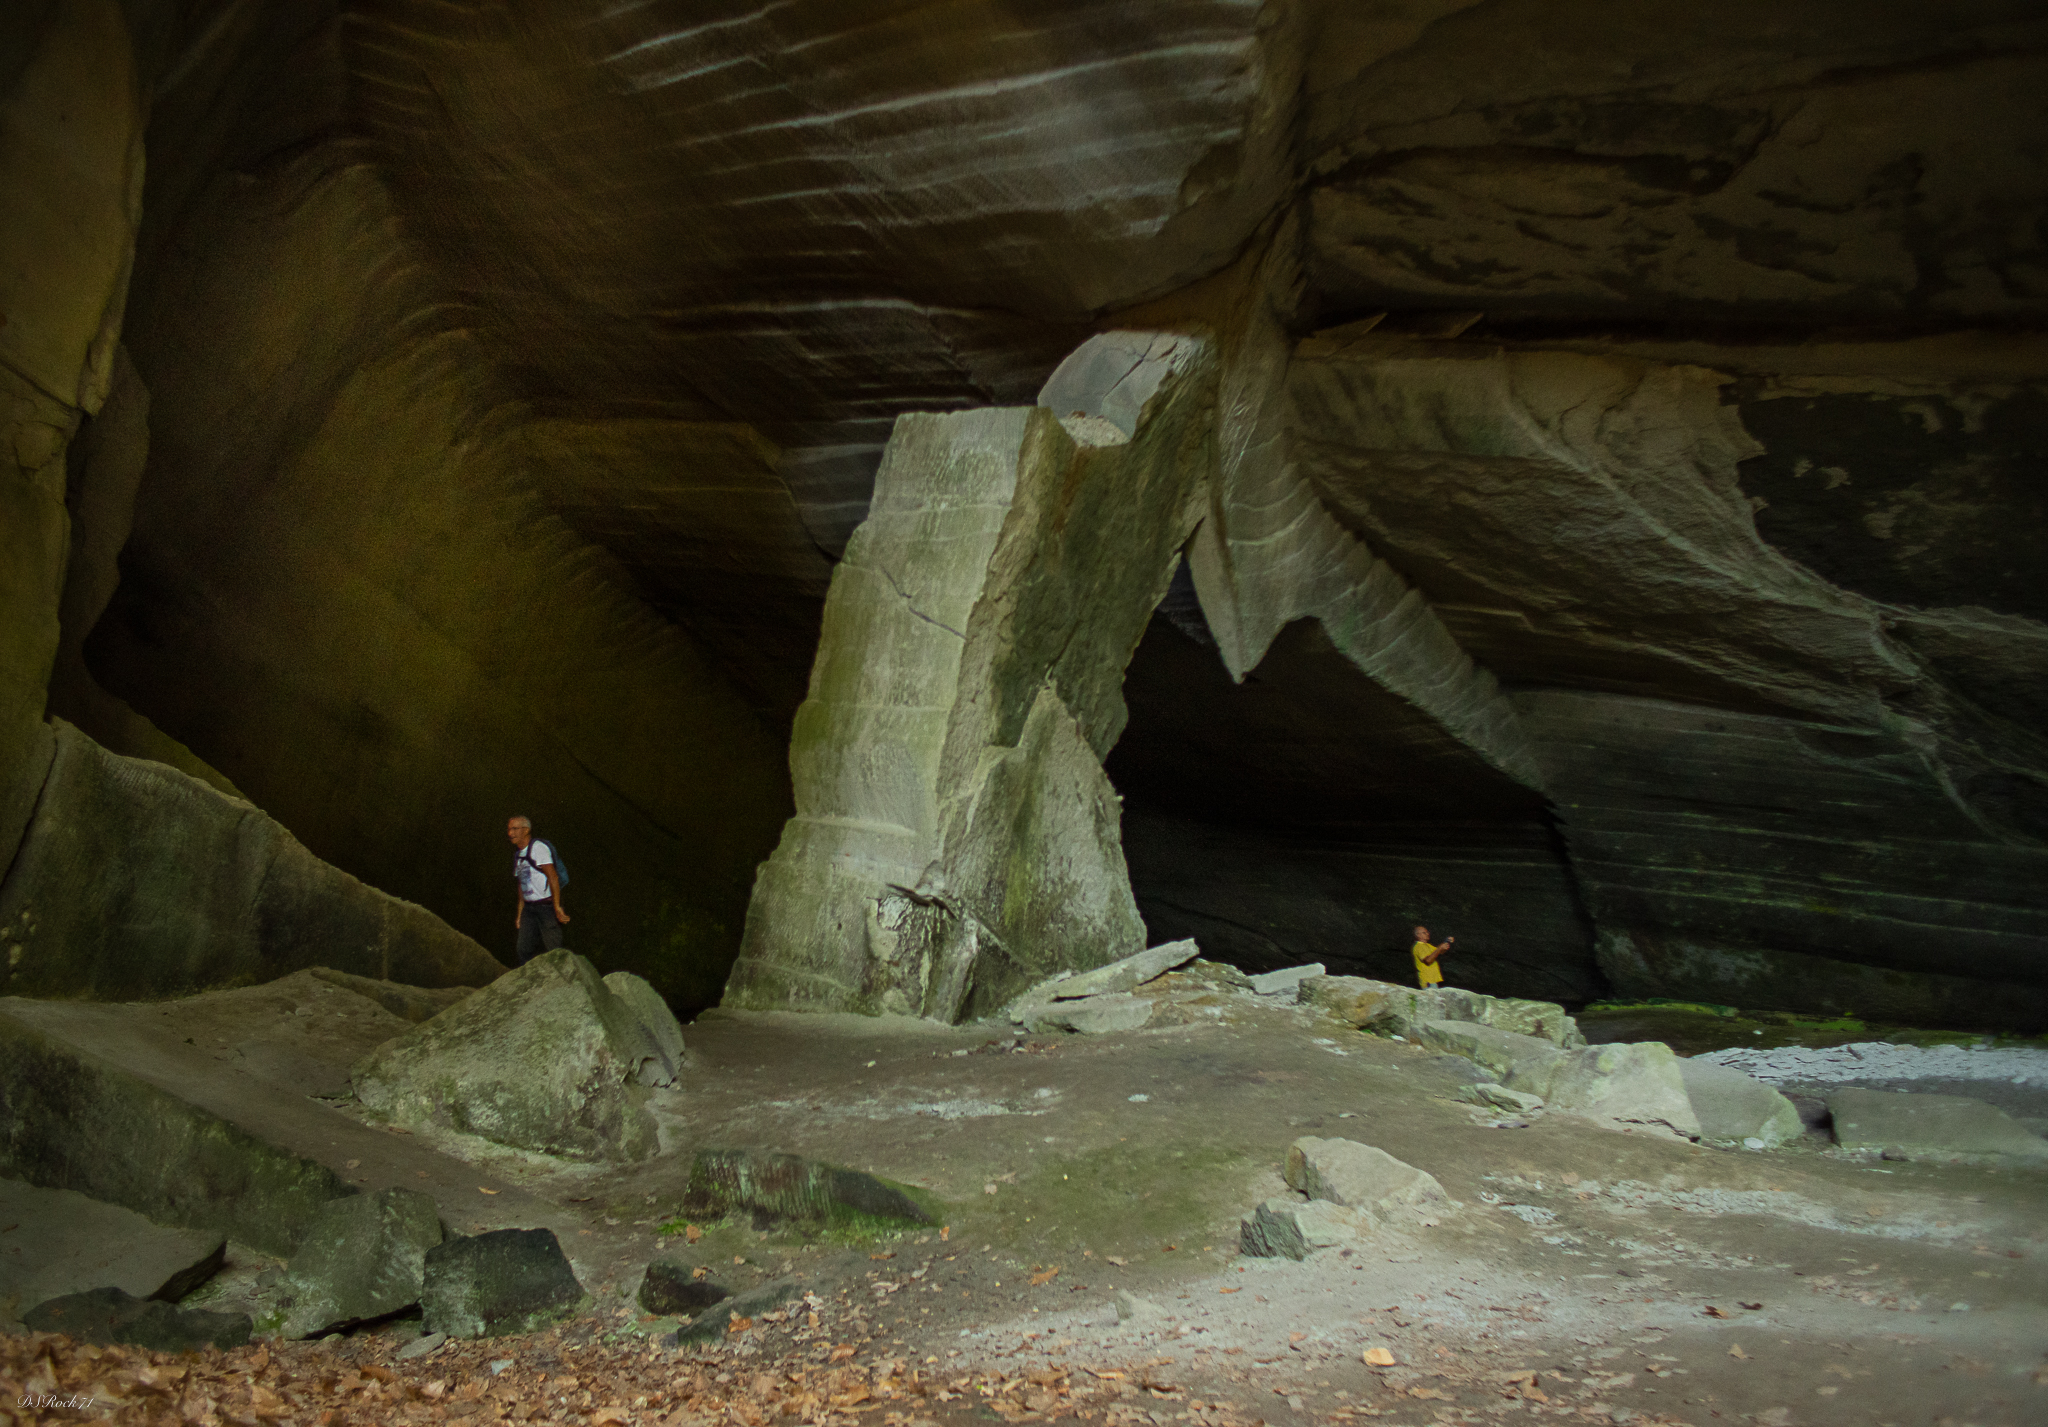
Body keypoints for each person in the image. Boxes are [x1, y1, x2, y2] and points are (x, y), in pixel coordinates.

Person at [508, 815, 570, 964]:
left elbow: (552, 877)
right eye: (509, 829)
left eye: (515, 829)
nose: (510, 833)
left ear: (526, 830)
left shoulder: (538, 848)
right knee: (523, 949)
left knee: (554, 949)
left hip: (546, 906)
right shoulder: (519, 855)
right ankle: (533, 976)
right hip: (529, 909)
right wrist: (520, 913)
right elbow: (521, 885)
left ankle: (562, 974)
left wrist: (556, 906)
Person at [1410, 924, 1454, 989]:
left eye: (1427, 932)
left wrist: (1446, 942)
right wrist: (1440, 948)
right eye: (1424, 933)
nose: (1427, 934)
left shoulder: (1428, 946)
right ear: (1418, 935)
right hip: (1427, 981)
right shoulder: (1418, 946)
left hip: (1433, 980)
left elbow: (1440, 951)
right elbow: (1428, 961)